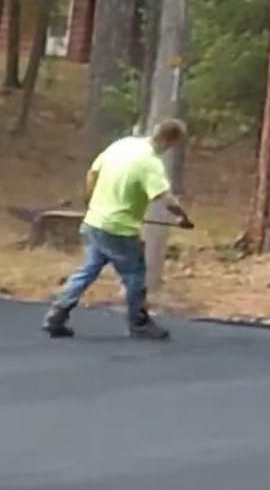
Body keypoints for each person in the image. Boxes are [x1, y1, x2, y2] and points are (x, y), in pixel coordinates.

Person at [42, 120, 194, 341]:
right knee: (134, 274)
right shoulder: (150, 163)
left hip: (95, 222)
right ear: (171, 140)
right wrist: (183, 217)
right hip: (119, 229)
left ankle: (56, 314)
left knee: (88, 270)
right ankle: (139, 322)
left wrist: (91, 201)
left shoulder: (123, 145)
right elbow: (165, 198)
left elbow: (92, 173)